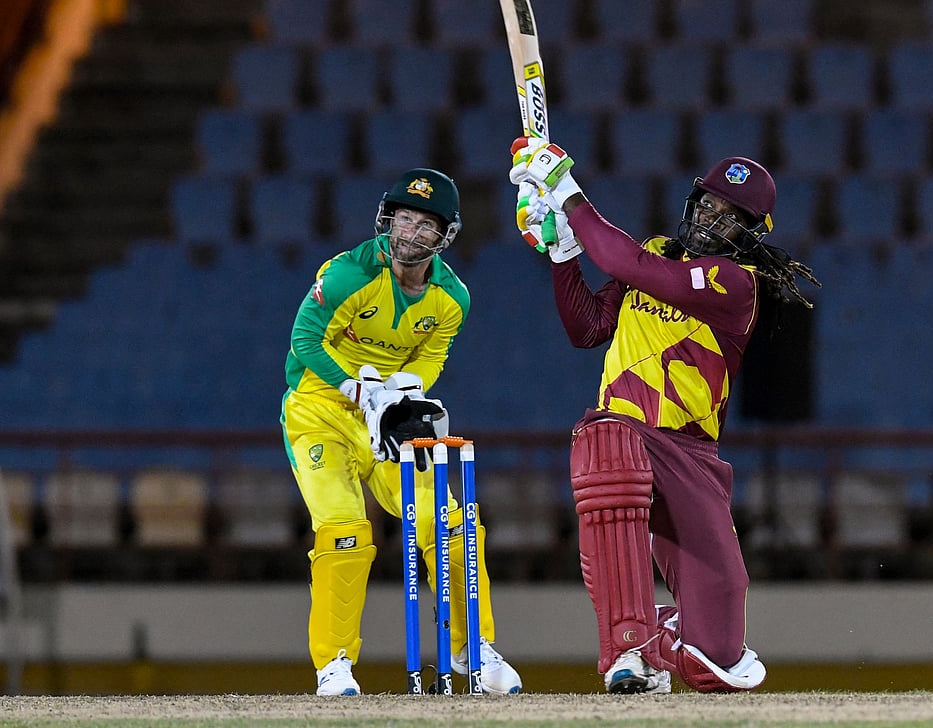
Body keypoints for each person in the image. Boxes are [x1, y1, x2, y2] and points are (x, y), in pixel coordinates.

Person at [509, 138, 820, 694]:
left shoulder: (737, 284)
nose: (710, 219)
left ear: (750, 235)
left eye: (730, 217)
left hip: (692, 454)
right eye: (707, 204)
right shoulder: (655, 251)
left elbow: (629, 262)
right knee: (607, 442)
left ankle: (653, 641)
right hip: (622, 431)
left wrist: (569, 198)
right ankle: (626, 645)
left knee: (716, 662)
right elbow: (586, 329)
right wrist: (561, 254)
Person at [281, 168, 522, 696]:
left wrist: (402, 390)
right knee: (345, 528)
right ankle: (335, 664)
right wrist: (352, 387)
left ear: (445, 237)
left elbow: (431, 357)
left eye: (424, 225)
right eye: (402, 219)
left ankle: (470, 647)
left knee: (452, 522)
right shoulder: (348, 274)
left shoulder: (452, 298)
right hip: (318, 407)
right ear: (387, 220)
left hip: (385, 411)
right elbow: (304, 340)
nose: (409, 233)